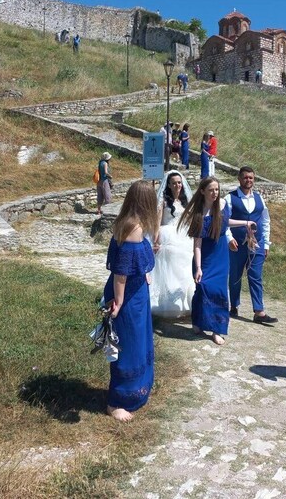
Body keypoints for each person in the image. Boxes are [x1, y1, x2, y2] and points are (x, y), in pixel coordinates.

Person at [102, 180, 158, 421]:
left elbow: (134, 263)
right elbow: (121, 273)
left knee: (137, 343)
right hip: (128, 297)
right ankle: (116, 402)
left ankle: (135, 391)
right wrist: (119, 301)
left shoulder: (133, 223)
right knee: (127, 347)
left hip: (137, 293)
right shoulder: (133, 228)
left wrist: (144, 272)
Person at [179, 177, 255, 345]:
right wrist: (198, 267)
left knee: (219, 292)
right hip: (204, 257)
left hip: (221, 255)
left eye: (217, 189)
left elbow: (226, 223)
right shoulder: (199, 214)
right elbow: (197, 244)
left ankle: (216, 330)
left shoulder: (222, 204)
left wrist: (245, 223)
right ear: (202, 191)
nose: (215, 193)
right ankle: (198, 321)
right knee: (203, 289)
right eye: (211, 190)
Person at [227, 166, 276, 324]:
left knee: (255, 276)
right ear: (239, 179)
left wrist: (266, 243)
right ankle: (234, 305)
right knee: (235, 276)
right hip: (237, 244)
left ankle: (259, 311)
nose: (248, 180)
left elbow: (266, 220)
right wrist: (229, 239)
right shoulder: (230, 198)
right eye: (245, 177)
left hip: (257, 244)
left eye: (251, 178)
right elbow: (224, 221)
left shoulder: (259, 198)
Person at [149, 171, 195, 317]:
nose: (177, 185)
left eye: (179, 182)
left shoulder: (185, 201)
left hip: (184, 237)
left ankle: (186, 302)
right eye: (174, 183)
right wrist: (156, 240)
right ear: (168, 185)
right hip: (168, 236)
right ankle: (167, 302)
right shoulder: (163, 201)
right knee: (169, 271)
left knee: (185, 270)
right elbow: (157, 222)